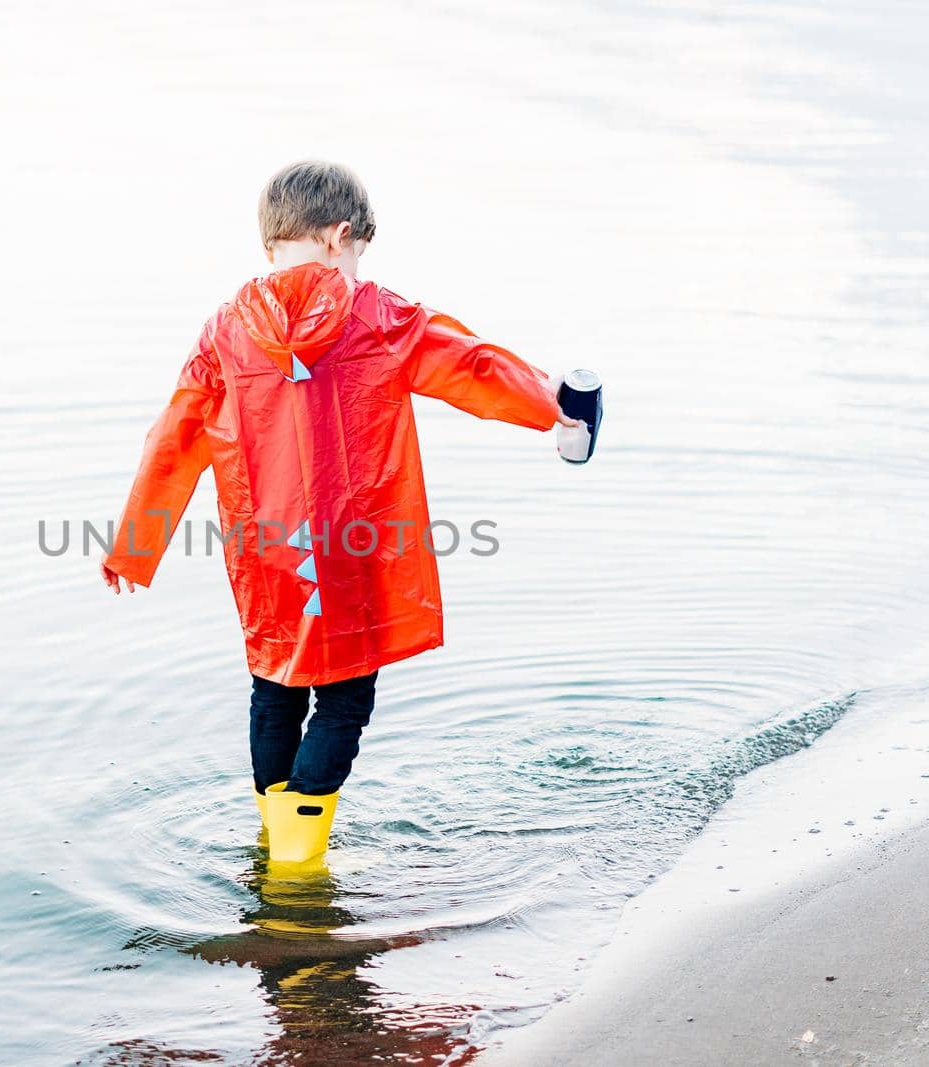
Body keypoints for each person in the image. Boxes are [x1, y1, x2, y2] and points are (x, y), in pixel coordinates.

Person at [100, 160, 577, 863]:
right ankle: (299, 854)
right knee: (345, 701)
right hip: (351, 551)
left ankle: (277, 838)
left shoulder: (225, 332)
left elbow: (174, 435)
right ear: (340, 235)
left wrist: (134, 545)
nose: (354, 268)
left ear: (271, 246)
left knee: (275, 686)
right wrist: (553, 405)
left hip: (269, 553)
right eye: (355, 255)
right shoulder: (379, 315)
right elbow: (471, 366)